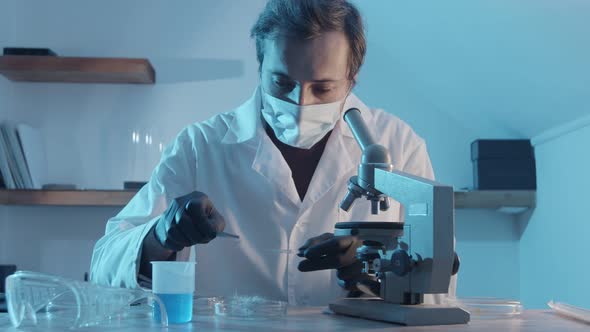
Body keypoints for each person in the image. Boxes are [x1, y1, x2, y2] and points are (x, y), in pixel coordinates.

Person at [90, 0, 455, 306]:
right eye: (282, 83)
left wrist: (378, 273)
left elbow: (442, 291)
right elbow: (104, 264)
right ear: (260, 68)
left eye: (323, 88)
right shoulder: (200, 147)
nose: (300, 104)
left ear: (351, 80)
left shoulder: (399, 145)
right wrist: (160, 237)